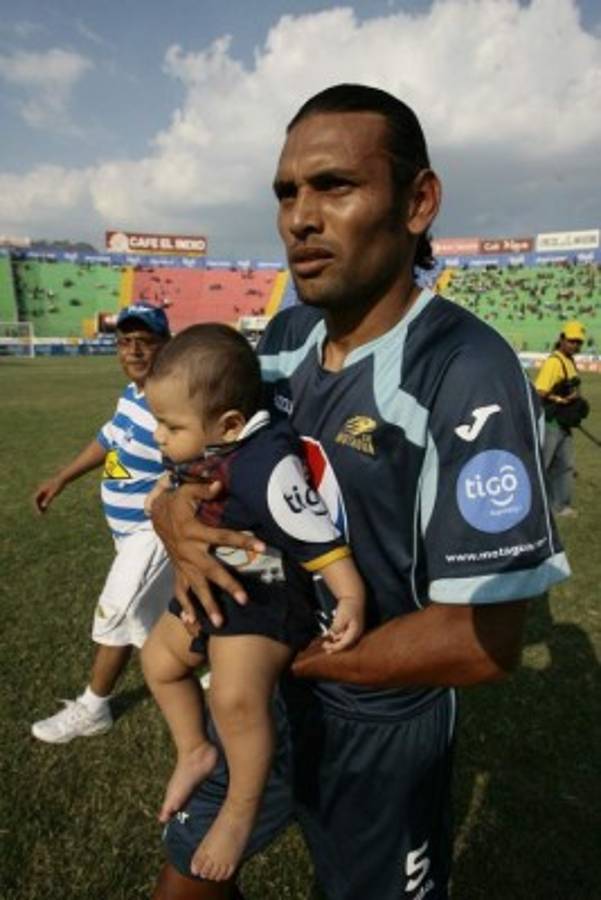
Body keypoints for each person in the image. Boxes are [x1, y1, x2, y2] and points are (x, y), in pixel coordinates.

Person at [149, 84, 571, 900]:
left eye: (334, 185)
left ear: (417, 202)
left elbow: (482, 641)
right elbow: (208, 447)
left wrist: (292, 659)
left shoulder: (466, 372)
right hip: (259, 682)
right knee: (187, 881)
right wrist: (173, 509)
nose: (299, 218)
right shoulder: (284, 335)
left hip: (377, 722)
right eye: (286, 193)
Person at [141, 322, 365, 882]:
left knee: (235, 698)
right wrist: (165, 493)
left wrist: (349, 592)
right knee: (158, 661)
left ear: (230, 424)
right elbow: (176, 485)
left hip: (265, 588)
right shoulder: (208, 442)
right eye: (157, 422)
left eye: (170, 426)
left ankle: (241, 807)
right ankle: (195, 750)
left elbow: (314, 531)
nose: (159, 437)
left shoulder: (266, 463)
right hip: (215, 581)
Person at [31, 304, 172, 744]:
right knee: (159, 612)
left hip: (153, 531)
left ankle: (94, 708)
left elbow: (197, 458)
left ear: (166, 346)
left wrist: (169, 493)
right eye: (125, 342)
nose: (133, 351)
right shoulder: (132, 393)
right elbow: (110, 438)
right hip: (125, 534)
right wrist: (62, 478)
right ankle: (215, 662)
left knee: (119, 608)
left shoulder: (171, 399)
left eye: (145, 342)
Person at [535, 320, 587, 517]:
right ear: (562, 339)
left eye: (578, 342)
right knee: (544, 464)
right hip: (551, 422)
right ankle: (534, 506)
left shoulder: (569, 360)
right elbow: (540, 391)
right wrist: (560, 399)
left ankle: (560, 506)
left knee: (565, 465)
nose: (575, 345)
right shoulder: (554, 362)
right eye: (572, 341)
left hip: (563, 423)